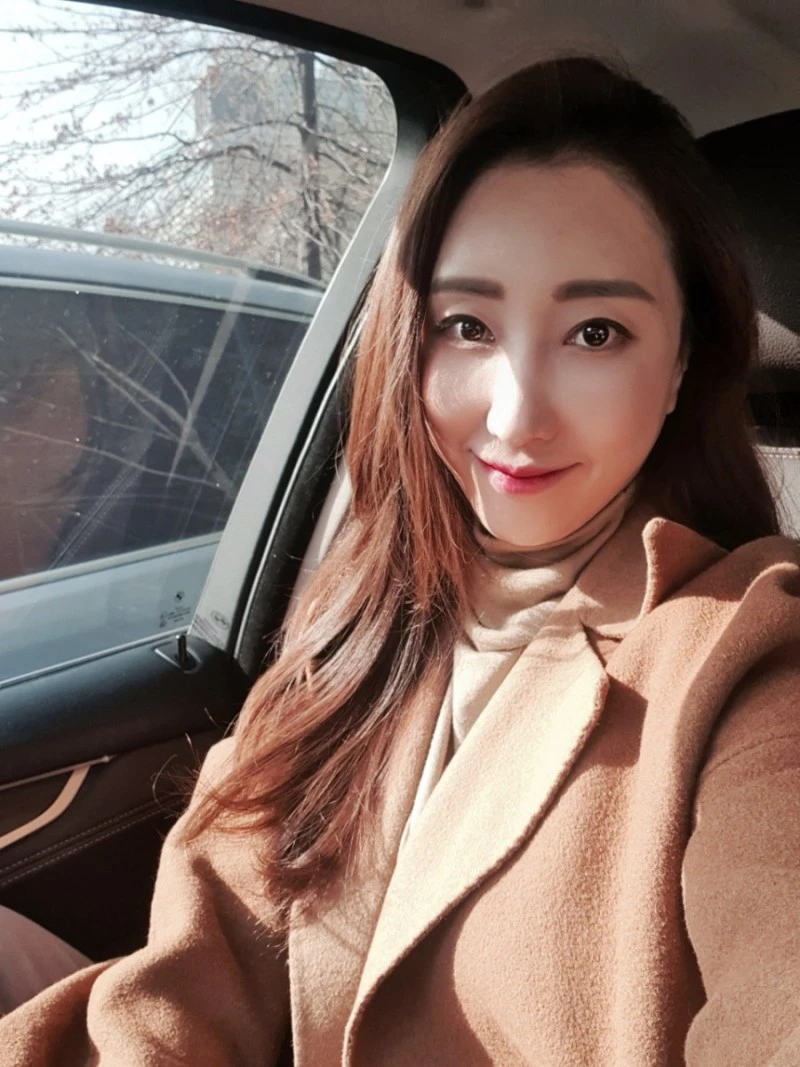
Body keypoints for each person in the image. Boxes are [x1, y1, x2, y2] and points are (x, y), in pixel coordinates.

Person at [1, 54, 799, 1066]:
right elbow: (183, 989)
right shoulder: (360, 621)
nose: (514, 414)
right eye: (467, 325)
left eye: (595, 331)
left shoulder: (748, 658)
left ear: (682, 361)